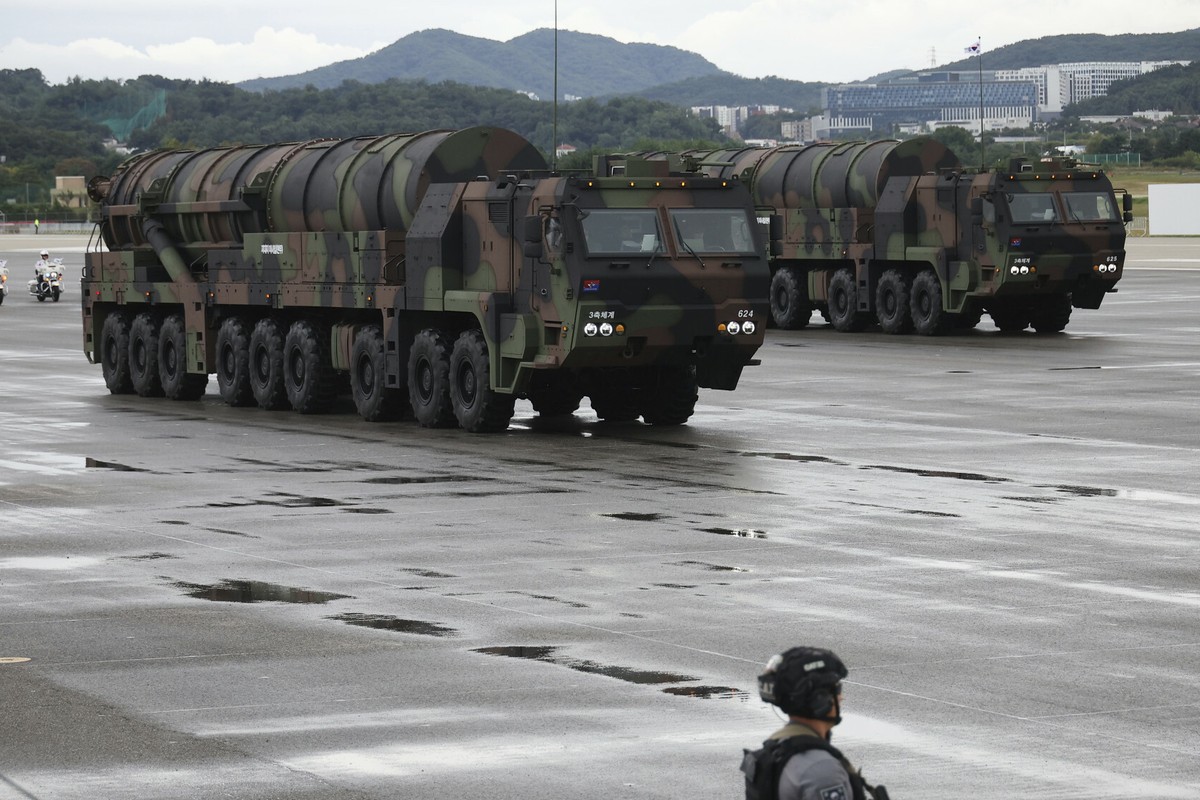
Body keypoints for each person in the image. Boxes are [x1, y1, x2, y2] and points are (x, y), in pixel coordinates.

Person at [741, 646, 889, 800]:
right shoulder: (822, 770)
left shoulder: (775, 751)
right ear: (820, 699)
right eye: (837, 689)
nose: (841, 698)